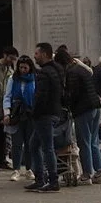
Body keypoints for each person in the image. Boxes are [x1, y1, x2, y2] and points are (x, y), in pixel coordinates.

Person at [26, 42, 63, 193]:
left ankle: (52, 180)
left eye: (36, 54)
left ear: (44, 54)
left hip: (44, 114)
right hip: (55, 111)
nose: (34, 57)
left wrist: (34, 112)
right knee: (34, 145)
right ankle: (40, 178)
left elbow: (40, 96)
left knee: (47, 147)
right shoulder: (58, 69)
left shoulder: (44, 73)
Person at [63, 50, 101, 183]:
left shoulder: (71, 73)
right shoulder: (82, 69)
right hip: (95, 105)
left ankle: (86, 174)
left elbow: (73, 93)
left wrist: (67, 104)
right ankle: (99, 172)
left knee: (84, 142)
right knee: (94, 141)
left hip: (83, 108)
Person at [3, 53, 36, 181]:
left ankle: (29, 168)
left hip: (30, 114)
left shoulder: (34, 79)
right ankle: (16, 169)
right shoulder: (13, 79)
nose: (22, 70)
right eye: (21, 67)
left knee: (30, 143)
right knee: (17, 143)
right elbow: (7, 96)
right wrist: (7, 113)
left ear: (30, 68)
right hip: (17, 114)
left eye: (25, 68)